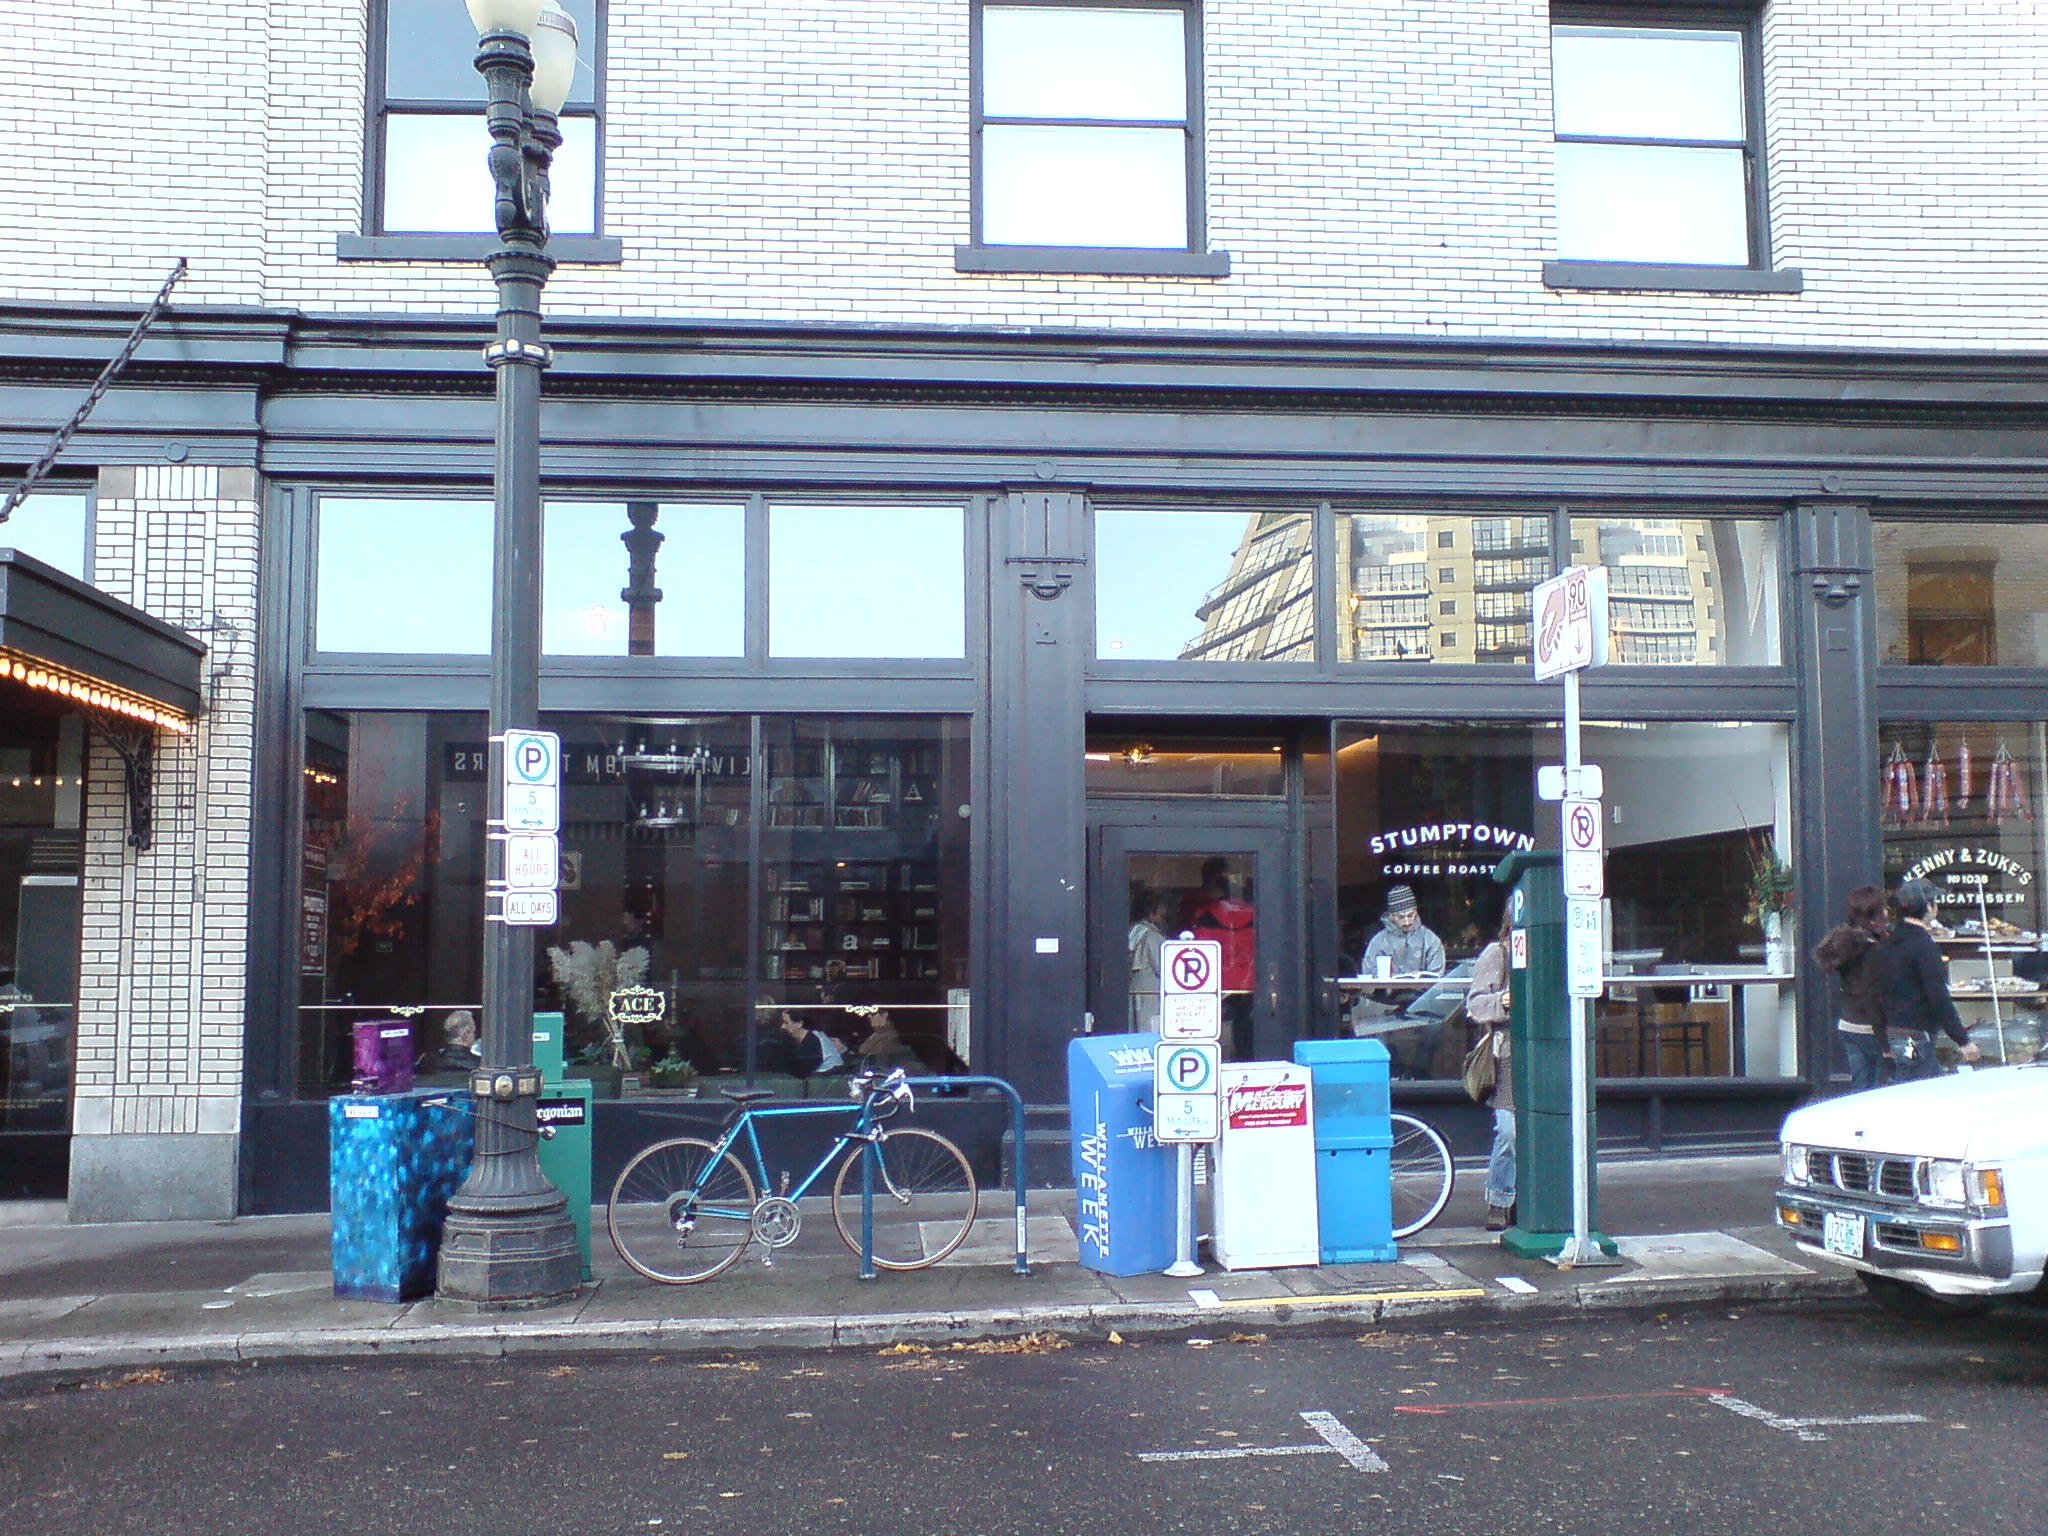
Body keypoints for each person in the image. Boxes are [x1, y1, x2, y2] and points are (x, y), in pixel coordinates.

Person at [1876, 879, 1981, 1080]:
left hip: (1894, 1032)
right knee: (1921, 1093)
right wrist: (1963, 1041)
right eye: (1935, 902)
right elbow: (1938, 997)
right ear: (1928, 907)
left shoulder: (1890, 941)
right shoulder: (1923, 944)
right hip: (1917, 1036)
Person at [1814, 884, 1892, 1093]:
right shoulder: (1871, 949)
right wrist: (1885, 1042)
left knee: (1860, 1087)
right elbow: (1872, 995)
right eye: (1884, 908)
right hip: (1869, 1028)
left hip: (1848, 1024)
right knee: (1879, 1091)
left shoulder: (1846, 944)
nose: (1887, 912)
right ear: (1875, 913)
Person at [1362, 885, 1446, 1077]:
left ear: (1416, 912)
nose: (1407, 921)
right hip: (1385, 1002)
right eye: (1401, 917)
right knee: (1378, 1030)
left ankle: (1418, 1072)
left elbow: (1438, 977)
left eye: (1411, 915)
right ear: (1391, 916)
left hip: (1423, 1002)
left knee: (1435, 1029)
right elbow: (1367, 978)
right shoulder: (1378, 942)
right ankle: (1394, 1072)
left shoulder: (1430, 939)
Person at [1466, 913, 1516, 1230]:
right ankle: (1499, 1200)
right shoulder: (1497, 954)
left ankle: (1527, 1200)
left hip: (1544, 1057)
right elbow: (1475, 1005)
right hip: (1508, 1057)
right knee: (1509, 1132)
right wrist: (1503, 1000)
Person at [1187, 863, 1256, 1059]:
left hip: (1216, 982)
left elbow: (1198, 950)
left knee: (1213, 1031)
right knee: (1245, 1031)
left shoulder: (1204, 915)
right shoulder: (1255, 914)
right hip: (1249, 982)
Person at [1127, 888, 1167, 1032]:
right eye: (1161, 907)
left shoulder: (1132, 931)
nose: (1165, 911)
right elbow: (1163, 968)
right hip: (1150, 992)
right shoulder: (1151, 936)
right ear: (1152, 911)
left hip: (1134, 988)